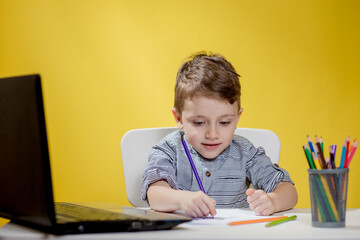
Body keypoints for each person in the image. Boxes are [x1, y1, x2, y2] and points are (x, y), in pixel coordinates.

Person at [140, 52, 298, 218]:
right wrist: (181, 199)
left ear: (237, 118)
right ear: (179, 118)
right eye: (199, 123)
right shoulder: (169, 150)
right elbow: (155, 193)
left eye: (224, 123)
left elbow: (288, 190)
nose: (212, 134)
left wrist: (273, 201)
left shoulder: (245, 152)